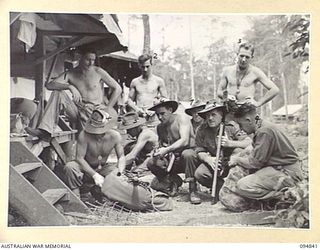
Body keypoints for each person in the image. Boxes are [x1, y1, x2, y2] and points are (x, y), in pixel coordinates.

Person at [28, 47, 122, 138]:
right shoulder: (71, 73)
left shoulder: (98, 71)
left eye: (93, 60)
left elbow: (117, 88)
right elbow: (49, 85)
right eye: (87, 59)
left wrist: (108, 107)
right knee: (58, 94)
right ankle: (45, 131)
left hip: (95, 111)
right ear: (80, 58)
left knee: (89, 142)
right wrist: (69, 86)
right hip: (77, 110)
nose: (90, 63)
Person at [225, 103, 303, 211]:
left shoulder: (264, 131)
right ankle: (281, 195)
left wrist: (236, 159)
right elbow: (252, 148)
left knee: (242, 186)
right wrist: (240, 155)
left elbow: (254, 163)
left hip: (287, 173)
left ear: (248, 120)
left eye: (240, 124)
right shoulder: (263, 125)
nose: (241, 129)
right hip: (282, 168)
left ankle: (285, 197)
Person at [182, 100, 251, 203]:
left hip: (232, 162)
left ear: (221, 115)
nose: (210, 118)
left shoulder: (231, 126)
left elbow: (248, 142)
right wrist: (208, 159)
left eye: (213, 115)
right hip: (216, 161)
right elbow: (199, 150)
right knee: (200, 174)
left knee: (239, 151)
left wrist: (230, 143)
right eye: (208, 115)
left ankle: (237, 188)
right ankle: (220, 186)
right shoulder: (202, 129)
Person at [59, 109, 125, 197]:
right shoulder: (84, 135)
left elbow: (121, 156)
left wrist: (120, 172)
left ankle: (104, 194)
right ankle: (76, 197)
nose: (97, 133)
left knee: (116, 173)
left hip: (103, 167)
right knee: (70, 167)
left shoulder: (115, 136)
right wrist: (94, 175)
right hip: (85, 168)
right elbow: (79, 158)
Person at [145, 98, 199, 203]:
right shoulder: (160, 127)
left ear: (170, 110)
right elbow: (162, 145)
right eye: (157, 115)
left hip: (191, 158)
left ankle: (193, 190)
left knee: (188, 154)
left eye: (162, 113)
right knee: (152, 162)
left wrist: (166, 150)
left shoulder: (181, 119)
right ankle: (172, 181)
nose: (160, 117)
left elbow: (184, 141)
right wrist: (157, 153)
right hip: (174, 159)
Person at [217, 42, 279, 108]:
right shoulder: (227, 71)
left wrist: (258, 103)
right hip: (229, 111)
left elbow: (275, 89)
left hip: (247, 112)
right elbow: (219, 91)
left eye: (247, 57)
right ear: (237, 54)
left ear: (251, 57)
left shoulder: (256, 72)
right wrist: (227, 97)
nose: (243, 60)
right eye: (241, 56)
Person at [126, 54, 167, 125]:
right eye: (143, 67)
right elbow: (129, 100)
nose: (145, 69)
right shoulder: (135, 82)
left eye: (147, 66)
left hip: (154, 118)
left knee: (153, 135)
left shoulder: (159, 81)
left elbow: (165, 99)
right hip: (139, 117)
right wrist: (137, 110)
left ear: (152, 64)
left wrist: (155, 110)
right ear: (139, 66)